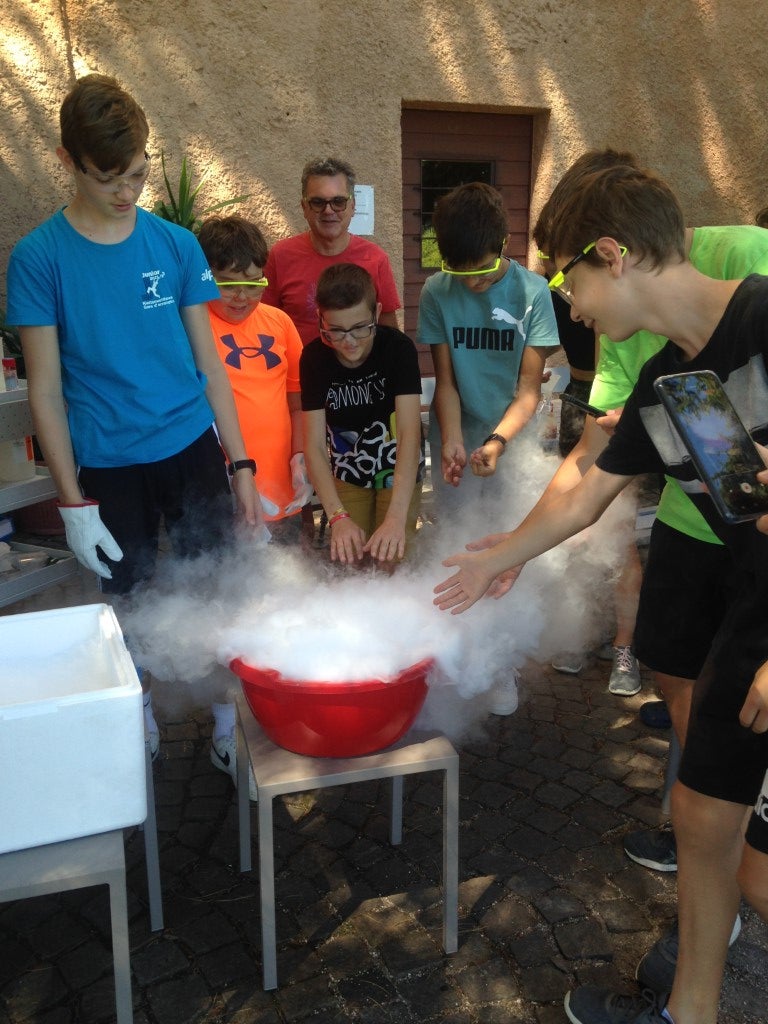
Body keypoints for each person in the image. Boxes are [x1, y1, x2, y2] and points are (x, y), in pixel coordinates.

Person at [434, 162, 768, 1024]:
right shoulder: (672, 377)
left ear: (614, 255)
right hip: (752, 604)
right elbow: (589, 486)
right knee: (699, 815)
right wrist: (499, 554)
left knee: (757, 860)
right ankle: (687, 1015)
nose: (570, 308)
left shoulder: (767, 313)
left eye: (567, 280)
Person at [5, 73, 263, 796]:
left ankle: (223, 724)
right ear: (68, 160)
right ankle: (140, 721)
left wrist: (239, 461)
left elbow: (210, 364)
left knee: (218, 592)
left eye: (140, 174)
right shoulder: (39, 258)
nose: (128, 192)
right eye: (109, 177)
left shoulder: (176, 246)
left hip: (190, 448)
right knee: (130, 603)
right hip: (108, 466)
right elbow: (46, 392)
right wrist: (70, 502)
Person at [417, 180, 559, 713]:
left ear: (502, 246)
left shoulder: (532, 294)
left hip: (512, 437)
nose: (470, 285)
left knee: (505, 551)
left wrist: (496, 440)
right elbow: (445, 382)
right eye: (459, 273)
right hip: (457, 429)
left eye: (478, 272)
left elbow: (528, 390)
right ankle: (455, 655)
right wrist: (453, 439)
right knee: (457, 542)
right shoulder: (437, 291)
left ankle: (501, 663)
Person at [299, 263, 423, 568]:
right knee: (351, 559)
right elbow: (314, 446)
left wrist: (395, 518)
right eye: (336, 331)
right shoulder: (314, 358)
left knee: (392, 557)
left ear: (377, 313)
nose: (349, 342)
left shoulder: (398, 349)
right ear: (320, 319)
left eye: (360, 329)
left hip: (398, 469)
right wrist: (337, 516)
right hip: (348, 472)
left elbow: (409, 435)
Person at [198, 214, 312, 546]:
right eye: (228, 284)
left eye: (253, 283)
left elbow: (297, 402)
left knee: (287, 578)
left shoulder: (279, 322)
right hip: (221, 485)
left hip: (281, 485)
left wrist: (300, 458)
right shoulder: (192, 326)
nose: (242, 296)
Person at [263, 156, 401, 345]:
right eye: (318, 202)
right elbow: (264, 324)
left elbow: (389, 336)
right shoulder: (280, 256)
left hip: (356, 373)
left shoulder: (375, 259)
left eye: (338, 201)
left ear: (353, 206)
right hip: (298, 372)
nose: (328, 210)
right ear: (304, 207)